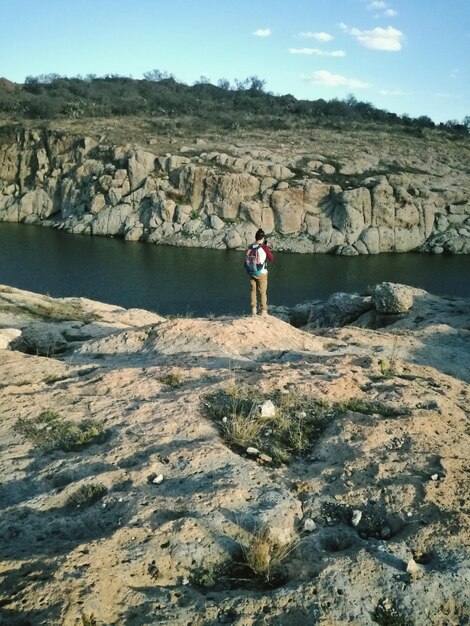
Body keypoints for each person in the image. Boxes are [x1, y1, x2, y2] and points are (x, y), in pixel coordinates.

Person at [245, 228, 274, 316]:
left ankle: (253, 311)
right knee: (262, 292)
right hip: (262, 273)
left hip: (251, 271)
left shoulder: (251, 247)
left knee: (253, 291)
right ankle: (263, 311)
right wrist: (267, 247)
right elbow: (271, 259)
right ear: (263, 238)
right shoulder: (265, 248)